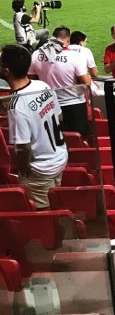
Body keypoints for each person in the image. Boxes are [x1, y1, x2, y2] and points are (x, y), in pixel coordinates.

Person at [0, 43, 68, 209]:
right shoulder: (42, 86)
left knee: (43, 215)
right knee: (57, 206)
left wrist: (23, 170)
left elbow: (23, 147)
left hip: (40, 170)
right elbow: (59, 115)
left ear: (6, 71)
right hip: (59, 157)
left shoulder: (16, 105)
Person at [28, 26, 91, 138]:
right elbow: (87, 83)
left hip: (48, 105)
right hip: (74, 105)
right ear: (67, 40)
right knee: (78, 140)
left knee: (55, 139)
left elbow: (31, 80)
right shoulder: (75, 56)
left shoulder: (37, 54)